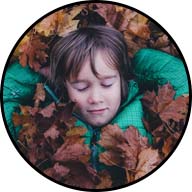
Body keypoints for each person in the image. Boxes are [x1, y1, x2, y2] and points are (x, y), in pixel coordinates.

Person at [2, 25, 189, 185]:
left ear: (122, 78)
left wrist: (134, 61)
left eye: (107, 84)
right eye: (81, 87)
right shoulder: (45, 121)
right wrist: (39, 70)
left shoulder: (147, 113)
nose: (95, 97)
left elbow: (182, 76)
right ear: (64, 85)